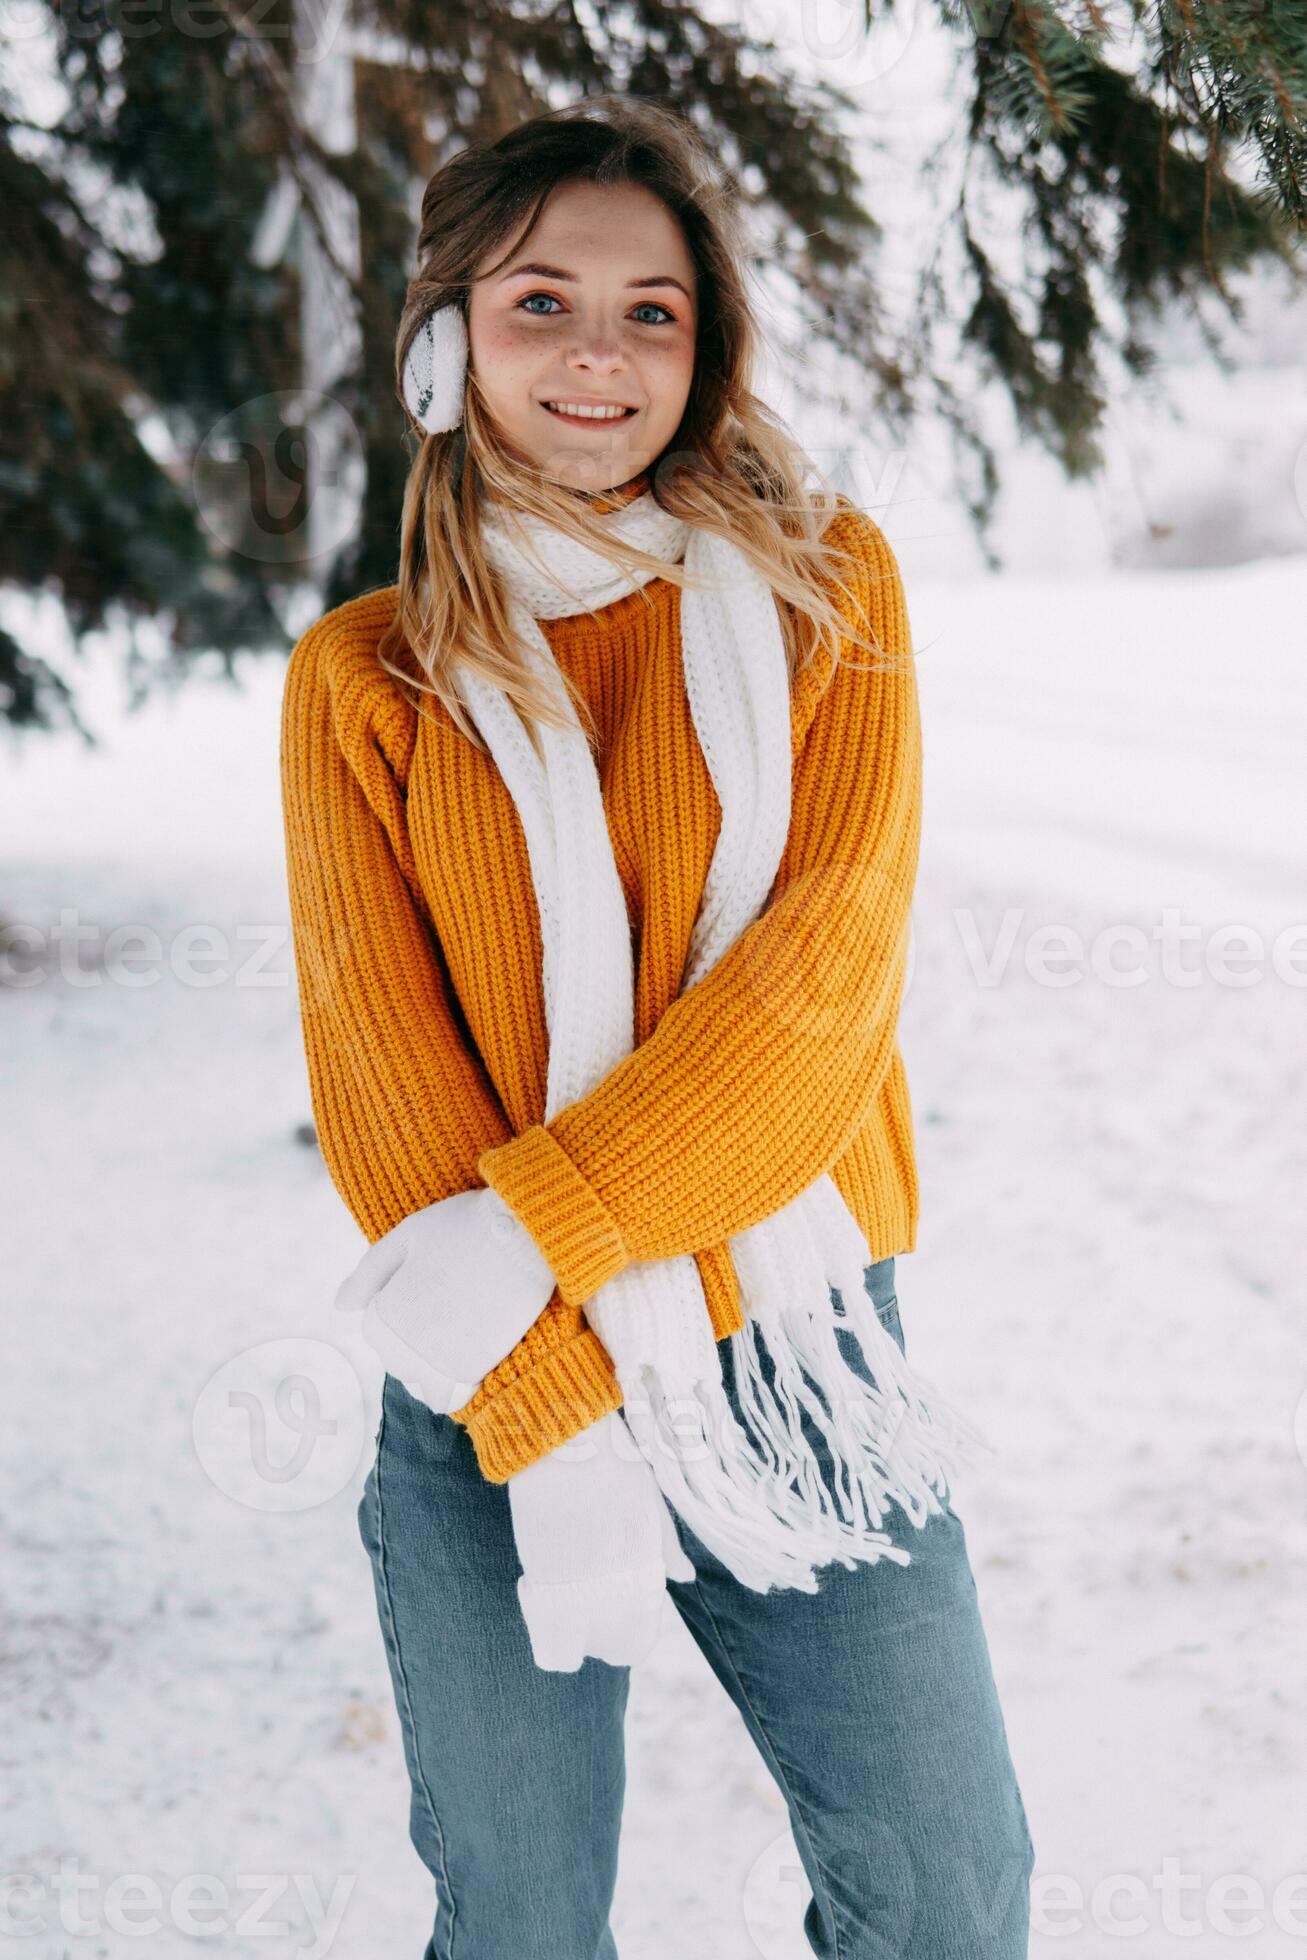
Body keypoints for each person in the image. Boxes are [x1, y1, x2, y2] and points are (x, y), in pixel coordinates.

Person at [280, 93, 1034, 1960]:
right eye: (542, 304)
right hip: (491, 1389)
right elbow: (386, 1082)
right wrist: (538, 1398)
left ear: (708, 350)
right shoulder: (365, 680)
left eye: (653, 312)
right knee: (522, 1919)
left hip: (789, 1352)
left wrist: (519, 1241)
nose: (599, 357)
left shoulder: (824, 592)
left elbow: (812, 1008)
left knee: (951, 1895)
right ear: (445, 341)